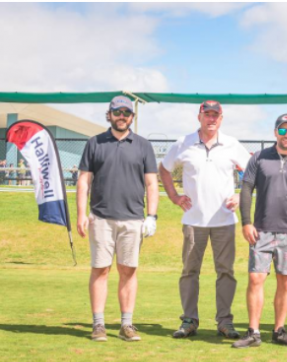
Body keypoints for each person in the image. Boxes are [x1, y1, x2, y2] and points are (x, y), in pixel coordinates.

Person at [159, 100, 250, 340]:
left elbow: (252, 173)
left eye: (215, 115)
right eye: (207, 114)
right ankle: (189, 320)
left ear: (221, 118)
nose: (211, 119)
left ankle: (225, 322)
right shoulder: (183, 143)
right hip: (193, 220)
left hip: (224, 221)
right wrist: (173, 196)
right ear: (199, 116)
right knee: (190, 271)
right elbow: (164, 169)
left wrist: (241, 196)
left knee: (226, 272)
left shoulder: (231, 144)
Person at [77, 95, 159, 342]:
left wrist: (152, 216)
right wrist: (82, 213)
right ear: (109, 114)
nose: (121, 116)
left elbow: (151, 183)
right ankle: (98, 325)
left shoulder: (143, 145)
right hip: (100, 218)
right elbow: (83, 181)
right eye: (117, 112)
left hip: (133, 220)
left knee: (128, 271)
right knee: (100, 270)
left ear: (132, 117)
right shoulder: (95, 143)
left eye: (126, 112)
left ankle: (126, 325)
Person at [233, 114, 287, 348]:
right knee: (255, 278)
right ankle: (253, 332)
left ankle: (279, 330)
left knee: (285, 281)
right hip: (261, 230)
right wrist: (246, 222)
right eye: (283, 131)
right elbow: (246, 189)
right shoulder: (260, 158)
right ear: (275, 133)